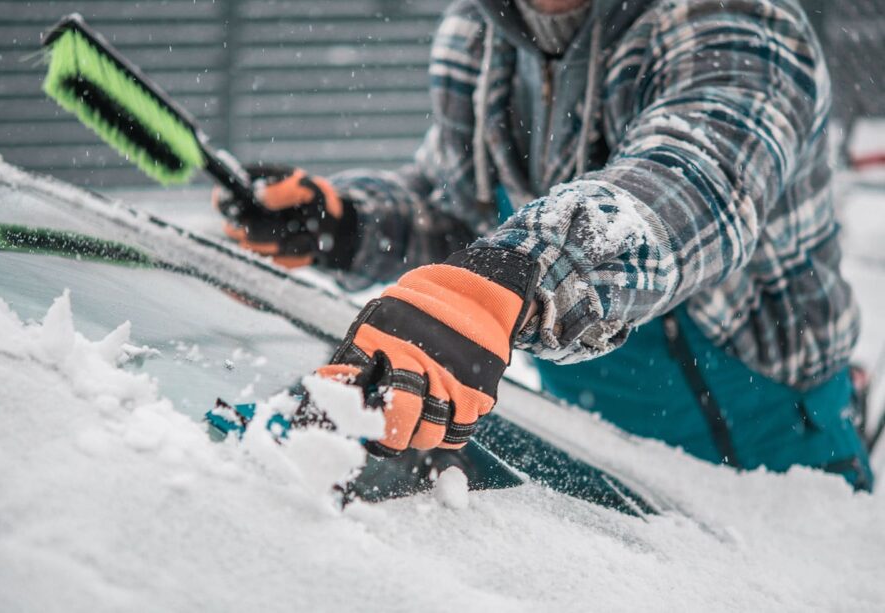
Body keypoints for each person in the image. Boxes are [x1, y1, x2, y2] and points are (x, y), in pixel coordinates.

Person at [214, 0, 874, 489]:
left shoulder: (738, 23)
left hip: (775, 456)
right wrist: (347, 221)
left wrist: (516, 272)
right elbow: (454, 210)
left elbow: (692, 181)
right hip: (592, 441)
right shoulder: (477, 40)